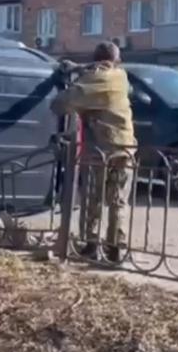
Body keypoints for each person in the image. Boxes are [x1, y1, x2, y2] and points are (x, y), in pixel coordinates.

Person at [50, 41, 137, 263]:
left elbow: (59, 104)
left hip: (101, 148)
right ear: (117, 61)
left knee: (93, 198)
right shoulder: (121, 76)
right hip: (126, 147)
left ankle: (91, 244)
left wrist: (73, 76)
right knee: (118, 200)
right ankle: (116, 248)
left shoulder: (92, 81)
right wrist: (81, 67)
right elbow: (103, 66)